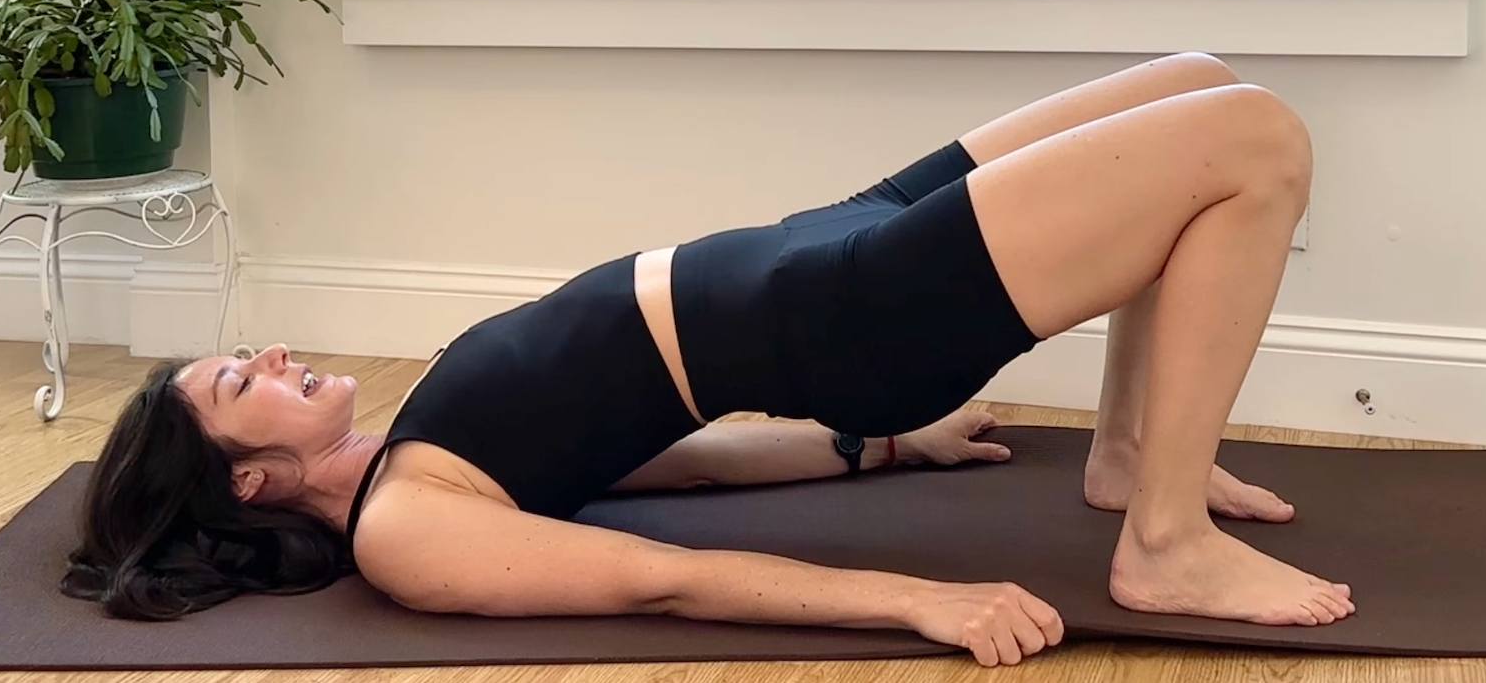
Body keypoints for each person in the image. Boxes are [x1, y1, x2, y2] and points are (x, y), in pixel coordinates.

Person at [68, 53, 1351, 666]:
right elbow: (658, 583)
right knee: (1252, 141)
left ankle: (1133, 461)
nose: (272, 354)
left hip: (825, 242)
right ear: (248, 484)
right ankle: (1165, 543)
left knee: (1195, 84)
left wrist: (891, 447)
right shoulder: (407, 531)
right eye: (243, 383)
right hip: (850, 313)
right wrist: (918, 597)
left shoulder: (411, 456)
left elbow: (664, 465)